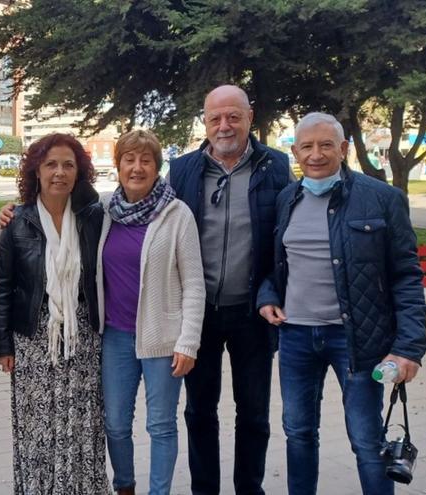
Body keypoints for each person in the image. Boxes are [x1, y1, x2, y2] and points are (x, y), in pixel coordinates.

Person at [257, 112, 426, 495]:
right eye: (306, 146)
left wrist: (409, 349)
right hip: (296, 337)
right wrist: (267, 297)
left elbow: (406, 275)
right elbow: (275, 266)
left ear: (344, 148)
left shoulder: (382, 198)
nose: (316, 154)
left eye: (325, 145)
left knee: (367, 439)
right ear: (296, 151)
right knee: (298, 433)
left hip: (358, 340)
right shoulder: (288, 199)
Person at [167, 84, 293, 494]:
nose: (224, 126)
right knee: (199, 410)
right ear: (205, 122)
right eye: (215, 118)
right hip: (197, 314)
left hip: (253, 311)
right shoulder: (183, 169)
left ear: (249, 117)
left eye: (233, 117)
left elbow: (290, 232)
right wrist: (21, 208)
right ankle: (205, 489)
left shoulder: (276, 166)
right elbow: (141, 209)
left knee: (254, 412)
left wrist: (273, 290)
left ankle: (248, 488)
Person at [0, 133, 109, 494]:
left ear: (79, 173)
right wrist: (2, 344)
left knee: (81, 423)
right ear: (36, 171)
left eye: (68, 165)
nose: (60, 172)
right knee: (37, 427)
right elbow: (3, 286)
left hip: (83, 337)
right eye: (51, 164)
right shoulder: (17, 222)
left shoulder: (93, 218)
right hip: (33, 338)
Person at [98, 130, 205, 495]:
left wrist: (188, 342)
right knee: (115, 423)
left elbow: (194, 283)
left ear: (157, 167)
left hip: (163, 339)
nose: (137, 167)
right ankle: (124, 485)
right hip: (115, 337)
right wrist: (12, 212)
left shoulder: (177, 215)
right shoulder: (105, 212)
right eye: (129, 159)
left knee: (160, 425)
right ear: (118, 166)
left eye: (146, 160)